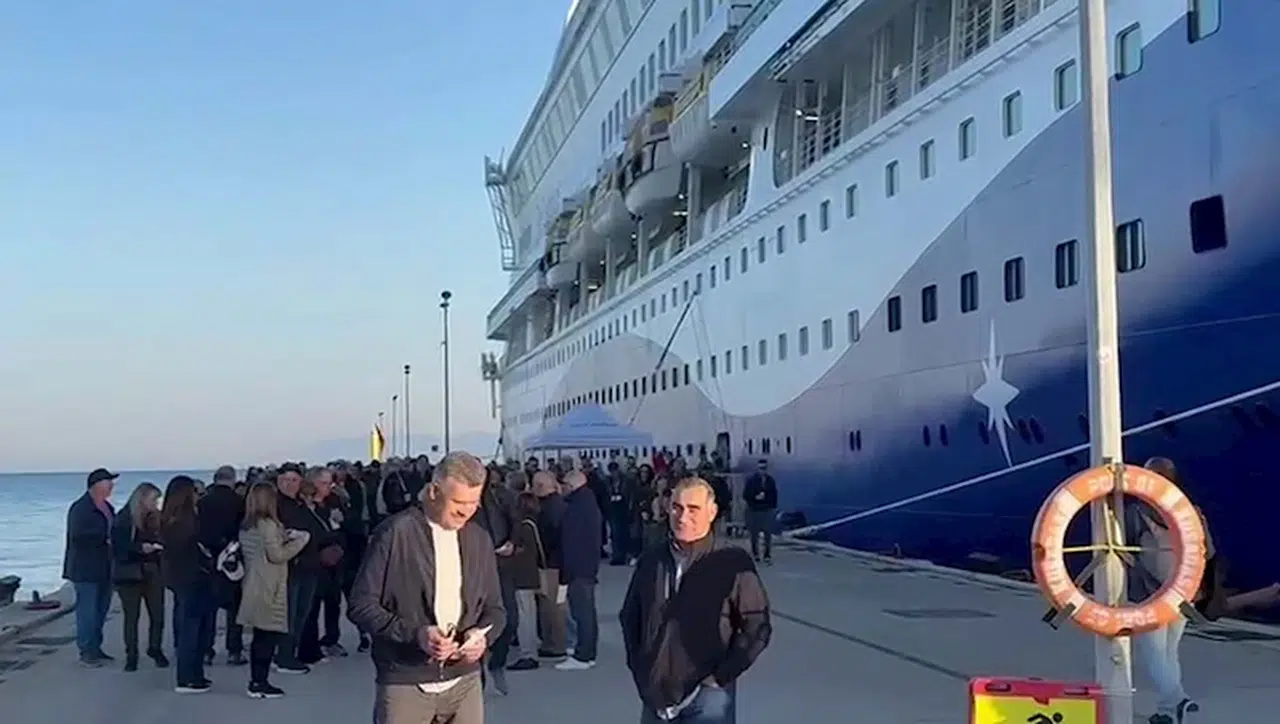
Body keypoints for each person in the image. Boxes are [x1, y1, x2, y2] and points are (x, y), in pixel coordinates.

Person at [349, 451, 505, 724]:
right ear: (434, 491)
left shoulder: (479, 538)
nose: (466, 511)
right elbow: (361, 606)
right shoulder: (394, 533)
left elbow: (496, 609)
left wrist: (483, 638)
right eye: (458, 502)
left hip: (466, 681)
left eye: (474, 502)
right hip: (405, 680)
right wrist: (416, 634)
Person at [620, 476, 772, 724]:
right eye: (677, 507)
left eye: (693, 509)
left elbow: (756, 626)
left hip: (708, 697)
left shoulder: (731, 561)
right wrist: (640, 667)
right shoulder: (652, 559)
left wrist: (722, 675)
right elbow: (630, 616)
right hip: (656, 694)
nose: (682, 517)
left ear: (712, 512)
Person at [1126, 457, 1208, 724]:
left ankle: (1177, 699)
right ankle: (1166, 712)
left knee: (1154, 654)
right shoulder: (1191, 511)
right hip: (1184, 591)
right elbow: (1207, 550)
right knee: (1170, 652)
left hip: (1149, 594)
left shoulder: (1136, 513)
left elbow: (1121, 549)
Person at [237, 482, 311, 699]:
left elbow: (262, 548)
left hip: (253, 582)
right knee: (267, 636)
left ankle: (257, 681)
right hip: (269, 583)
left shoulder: (247, 525)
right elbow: (276, 555)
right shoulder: (268, 524)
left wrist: (283, 537)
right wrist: (300, 541)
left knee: (260, 635)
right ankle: (259, 683)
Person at [160, 475, 216, 693]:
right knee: (192, 629)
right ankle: (187, 678)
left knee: (192, 628)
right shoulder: (186, 522)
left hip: (182, 578)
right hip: (192, 578)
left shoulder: (170, 519)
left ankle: (194, 674)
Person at [274, 463, 328, 673]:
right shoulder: (276, 505)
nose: (289, 484)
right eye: (285, 480)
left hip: (309, 565)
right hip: (290, 566)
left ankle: (291, 653)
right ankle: (284, 655)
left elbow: (317, 530)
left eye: (294, 480)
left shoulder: (301, 504)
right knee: (289, 613)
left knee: (302, 613)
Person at [63, 467, 118, 666]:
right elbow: (77, 535)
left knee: (101, 610)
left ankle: (96, 647)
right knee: (87, 611)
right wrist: (104, 537)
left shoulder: (107, 507)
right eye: (108, 482)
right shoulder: (81, 508)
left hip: (105, 566)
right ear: (96, 485)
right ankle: (86, 650)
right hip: (85, 568)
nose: (111, 486)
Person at [111, 481, 168, 671]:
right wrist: (140, 548)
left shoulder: (155, 518)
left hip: (152, 570)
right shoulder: (124, 519)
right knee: (131, 616)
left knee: (157, 614)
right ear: (142, 499)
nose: (155, 504)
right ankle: (131, 654)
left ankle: (155, 648)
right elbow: (118, 547)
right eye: (153, 500)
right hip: (130, 572)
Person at [199, 464, 246, 666]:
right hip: (232, 557)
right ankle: (234, 650)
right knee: (235, 607)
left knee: (209, 607)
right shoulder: (239, 502)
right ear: (232, 480)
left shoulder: (203, 502)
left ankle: (206, 650)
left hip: (208, 557)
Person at [555, 470, 602, 671]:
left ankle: (584, 655)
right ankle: (587, 651)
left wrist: (566, 573)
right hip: (587, 565)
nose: (562, 488)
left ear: (572, 486)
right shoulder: (587, 503)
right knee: (586, 611)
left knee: (582, 612)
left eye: (565, 484)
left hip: (579, 567)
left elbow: (570, 542)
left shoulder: (576, 508)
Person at [504, 491, 543, 672]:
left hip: (522, 575)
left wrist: (508, 551)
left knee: (525, 615)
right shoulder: (533, 523)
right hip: (530, 574)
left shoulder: (522, 526)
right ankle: (530, 648)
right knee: (529, 613)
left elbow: (522, 550)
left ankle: (528, 654)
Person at [532, 471, 568, 659]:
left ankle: (555, 644)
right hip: (557, 562)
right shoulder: (559, 504)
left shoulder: (548, 509)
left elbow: (549, 537)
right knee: (556, 605)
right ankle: (555, 642)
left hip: (550, 563)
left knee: (551, 606)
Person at [741, 460, 777, 564]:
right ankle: (755, 553)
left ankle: (767, 554)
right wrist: (755, 498)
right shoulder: (751, 480)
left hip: (766, 510)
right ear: (757, 469)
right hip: (754, 510)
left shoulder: (770, 481)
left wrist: (772, 506)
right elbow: (745, 495)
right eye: (761, 468)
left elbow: (774, 494)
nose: (762, 470)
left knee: (767, 534)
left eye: (764, 468)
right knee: (754, 534)